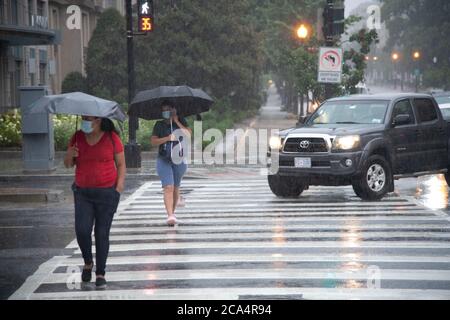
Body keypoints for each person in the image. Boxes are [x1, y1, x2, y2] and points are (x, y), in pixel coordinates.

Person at [64, 116, 126, 289]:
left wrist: (118, 188)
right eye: (83, 118)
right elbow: (68, 165)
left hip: (107, 192)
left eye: (88, 119)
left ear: (98, 120)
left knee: (101, 233)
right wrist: (70, 154)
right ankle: (88, 262)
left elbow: (121, 164)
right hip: (83, 192)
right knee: (82, 230)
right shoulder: (77, 137)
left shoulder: (112, 138)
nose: (85, 121)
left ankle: (100, 273)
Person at [151, 101, 192, 226]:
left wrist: (177, 121)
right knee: (168, 186)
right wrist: (168, 138)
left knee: (175, 187)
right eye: (163, 110)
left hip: (179, 159)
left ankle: (172, 213)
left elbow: (188, 134)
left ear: (173, 110)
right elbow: (153, 141)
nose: (165, 112)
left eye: (168, 109)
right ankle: (170, 215)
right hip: (164, 159)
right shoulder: (159, 125)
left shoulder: (181, 121)